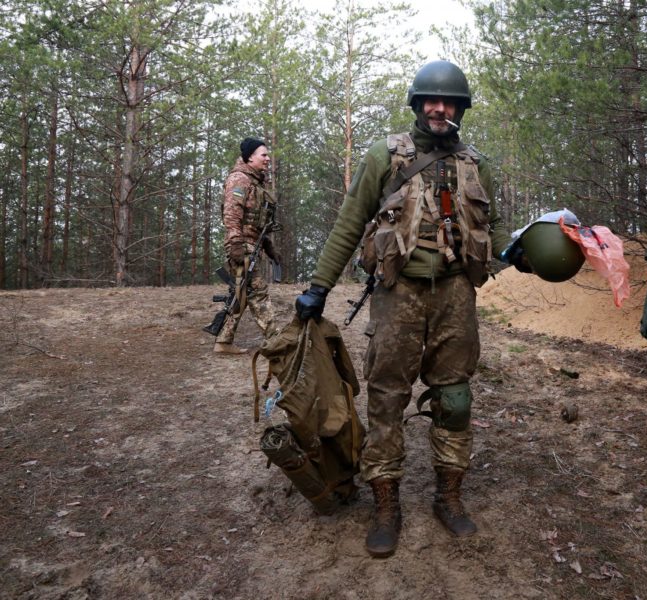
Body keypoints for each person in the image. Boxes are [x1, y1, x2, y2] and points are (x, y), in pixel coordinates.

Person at [295, 60, 524, 558]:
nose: (440, 109)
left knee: (455, 399)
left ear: (460, 109)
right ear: (418, 105)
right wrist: (318, 287)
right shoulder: (384, 155)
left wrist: (522, 251)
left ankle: (448, 497)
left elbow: (497, 227)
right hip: (397, 293)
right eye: (431, 101)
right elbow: (349, 222)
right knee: (386, 399)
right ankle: (385, 505)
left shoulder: (476, 163)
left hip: (457, 294)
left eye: (449, 102)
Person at [214, 137, 280, 355]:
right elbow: (232, 214)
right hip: (242, 245)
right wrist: (235, 244)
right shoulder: (239, 179)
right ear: (250, 157)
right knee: (258, 292)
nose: (268, 159)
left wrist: (269, 247)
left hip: (253, 244)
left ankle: (223, 341)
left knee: (241, 293)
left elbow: (257, 221)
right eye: (264, 155)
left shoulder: (255, 182)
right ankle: (277, 340)